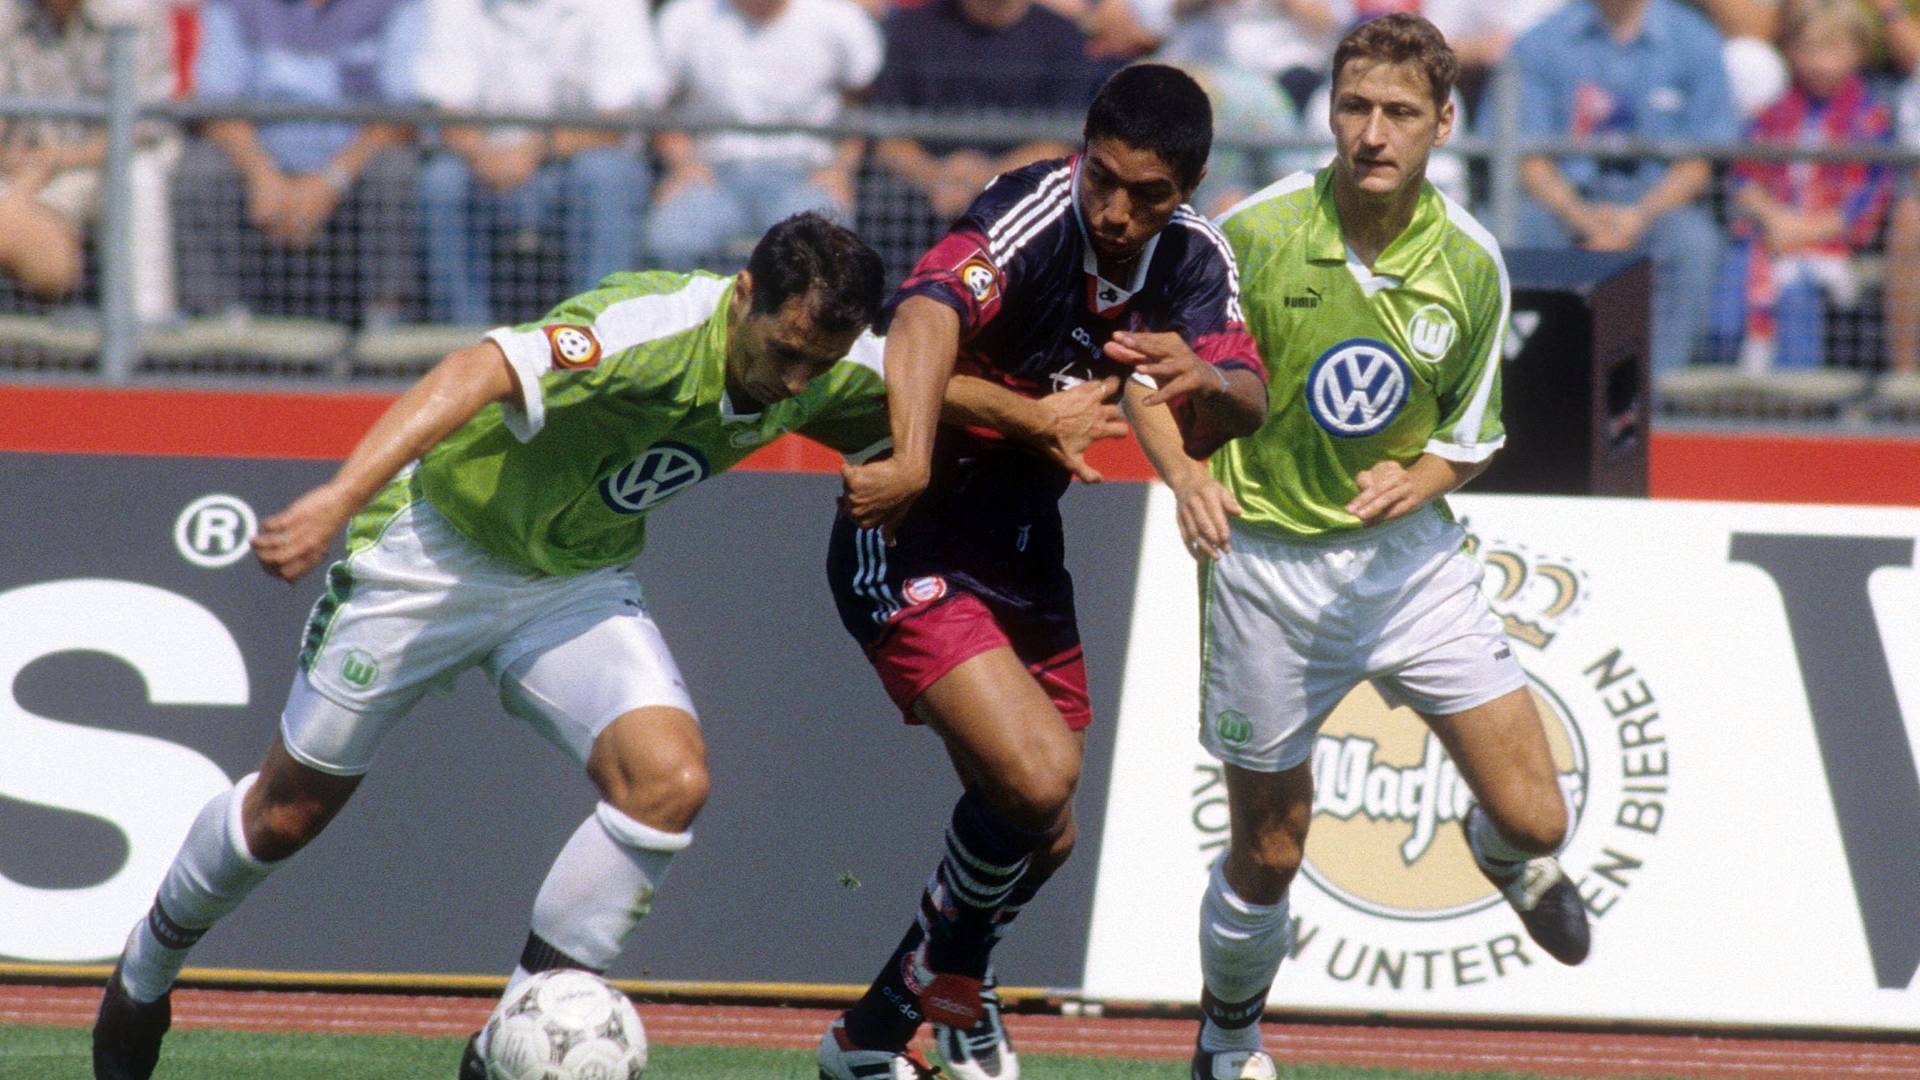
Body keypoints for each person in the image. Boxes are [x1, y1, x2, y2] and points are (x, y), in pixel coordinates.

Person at [89, 213, 895, 1080]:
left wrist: (1040, 416)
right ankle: (147, 967)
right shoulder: (648, 330)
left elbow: (934, 381)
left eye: (819, 363)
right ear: (745, 296)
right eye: (784, 352)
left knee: (669, 782)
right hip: (432, 551)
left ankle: (507, 1044)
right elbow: (476, 369)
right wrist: (336, 497)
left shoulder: (830, 361)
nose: (797, 382)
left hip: (572, 581)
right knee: (286, 814)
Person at [1134, 17, 1590, 1080]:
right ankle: (1229, 1040)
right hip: (1264, 568)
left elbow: (1470, 441)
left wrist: (1415, 480)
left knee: (1537, 814)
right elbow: (1144, 376)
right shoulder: (1252, 233)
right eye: (1354, 108)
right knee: (1270, 851)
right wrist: (1188, 476)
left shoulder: (1471, 264)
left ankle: (1495, 857)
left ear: (1441, 124)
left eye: (1397, 113)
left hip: (1407, 570)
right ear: (1329, 113)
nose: (1372, 134)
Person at [821, 63, 1269, 1080]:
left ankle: (869, 1041)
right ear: (1082, 151)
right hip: (912, 528)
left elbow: (1245, 390)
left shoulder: (1197, 258)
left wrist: (1212, 388)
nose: (1115, 210)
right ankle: (965, 982)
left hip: (1022, 543)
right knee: (1035, 776)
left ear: (1189, 185)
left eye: (1146, 193)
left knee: (1048, 833)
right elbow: (921, 321)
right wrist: (930, 451)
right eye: (1102, 178)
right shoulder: (1031, 212)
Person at [1506, 0, 1738, 374]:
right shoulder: (1541, 40)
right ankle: (1528, 385)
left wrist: (1638, 217)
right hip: (1563, 204)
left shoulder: (1695, 39)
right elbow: (1524, 156)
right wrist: (1581, 219)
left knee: (1695, 242)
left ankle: (1656, 393)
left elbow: (1700, 161)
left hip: (1657, 206)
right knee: (1507, 229)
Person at [414, 0, 669, 326]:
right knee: (442, 180)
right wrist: (482, 153)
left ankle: (594, 337)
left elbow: (622, 117)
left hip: (572, 165)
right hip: (485, 164)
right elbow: (441, 106)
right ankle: (466, 339)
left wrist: (536, 149)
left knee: (607, 173)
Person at [176, 0, 422, 327]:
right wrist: (260, 174)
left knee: (395, 173)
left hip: (352, 168)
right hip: (260, 164)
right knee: (199, 170)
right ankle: (216, 327)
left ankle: (385, 327)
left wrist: (331, 180)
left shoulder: (394, 5)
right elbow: (215, 100)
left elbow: (403, 111)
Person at [1708, 0, 1893, 372]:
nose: (1821, 63)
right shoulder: (1773, 112)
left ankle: (1797, 404)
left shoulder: (1871, 117)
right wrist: (1777, 221)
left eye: (1834, 50)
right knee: (1727, 308)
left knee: (1797, 296)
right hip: (1767, 234)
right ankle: (1727, 398)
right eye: (1809, 49)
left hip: (1828, 242)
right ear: (1790, 50)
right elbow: (1744, 175)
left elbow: (1871, 194)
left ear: (1858, 51)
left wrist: (1808, 230)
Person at [645, 0, 881, 271]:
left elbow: (863, 101)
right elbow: (659, 104)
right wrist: (682, 163)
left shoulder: (840, 16)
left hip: (807, 173)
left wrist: (842, 168)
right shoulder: (684, 15)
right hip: (711, 172)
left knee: (820, 257)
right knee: (671, 242)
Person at [0, 0, 179, 322]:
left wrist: (59, 158)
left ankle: (145, 330)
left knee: (140, 176)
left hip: (108, 161)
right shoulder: (8, 11)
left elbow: (145, 124)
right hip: (29, 166)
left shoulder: (135, 10)